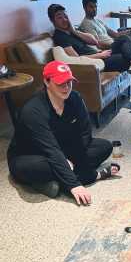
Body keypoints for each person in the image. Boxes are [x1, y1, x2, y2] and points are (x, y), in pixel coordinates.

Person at [7, 61, 120, 205]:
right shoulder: (33, 111)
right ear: (47, 82)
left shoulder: (75, 98)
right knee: (36, 167)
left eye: (69, 82)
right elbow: (50, 150)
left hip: (64, 149)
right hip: (33, 155)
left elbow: (85, 134)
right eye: (60, 83)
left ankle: (53, 182)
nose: (66, 87)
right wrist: (75, 185)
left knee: (104, 147)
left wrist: (71, 158)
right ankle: (72, 179)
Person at [48, 3, 131, 105]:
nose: (64, 20)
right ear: (52, 20)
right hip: (97, 61)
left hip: (101, 54)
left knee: (124, 39)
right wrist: (99, 56)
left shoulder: (71, 32)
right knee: (130, 56)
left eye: (65, 16)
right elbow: (75, 58)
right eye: (59, 17)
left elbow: (93, 41)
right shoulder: (60, 37)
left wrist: (74, 31)